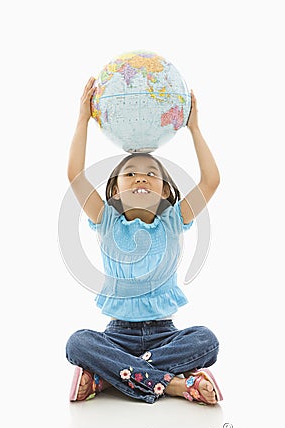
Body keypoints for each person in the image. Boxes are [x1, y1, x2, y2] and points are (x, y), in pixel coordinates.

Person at [65, 76, 222, 405]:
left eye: (152, 174)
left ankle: (110, 378)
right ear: (115, 190)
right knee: (77, 343)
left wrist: (195, 129)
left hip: (165, 335)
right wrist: (83, 120)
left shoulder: (174, 221)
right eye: (131, 173)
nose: (141, 177)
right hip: (116, 335)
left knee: (207, 341)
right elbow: (75, 176)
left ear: (165, 190)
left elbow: (211, 180)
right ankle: (177, 385)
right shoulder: (106, 221)